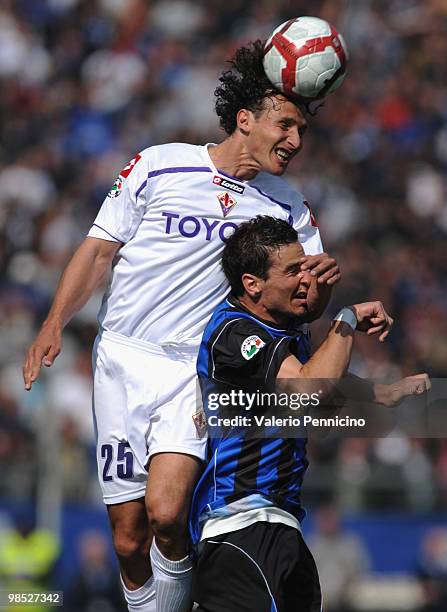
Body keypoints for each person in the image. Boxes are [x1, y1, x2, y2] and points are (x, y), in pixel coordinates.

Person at [22, 41, 340, 612]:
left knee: (167, 515)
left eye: (300, 130)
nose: (294, 141)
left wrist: (324, 290)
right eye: (284, 125)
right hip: (122, 358)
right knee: (126, 536)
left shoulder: (288, 207)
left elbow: (304, 298)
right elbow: (99, 251)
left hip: (191, 374)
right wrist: (53, 322)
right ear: (245, 119)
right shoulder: (158, 163)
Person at [190, 216, 430, 612]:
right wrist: (346, 317)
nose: (306, 279)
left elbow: (321, 385)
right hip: (239, 526)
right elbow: (310, 388)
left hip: (281, 521)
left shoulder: (285, 333)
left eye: (305, 266)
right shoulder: (232, 333)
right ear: (253, 284)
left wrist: (383, 392)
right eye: (292, 270)